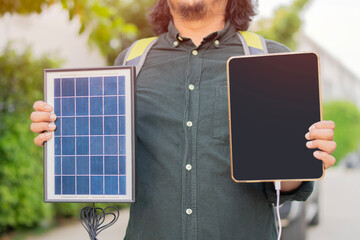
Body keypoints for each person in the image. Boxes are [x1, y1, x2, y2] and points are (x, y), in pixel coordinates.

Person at [30, 0, 337, 239]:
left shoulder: (268, 58)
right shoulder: (130, 63)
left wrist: (304, 157)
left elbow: (285, 185)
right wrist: (61, 132)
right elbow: (101, 160)